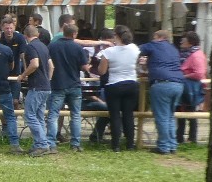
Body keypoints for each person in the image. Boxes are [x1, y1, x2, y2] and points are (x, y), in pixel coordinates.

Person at [94, 25, 141, 151]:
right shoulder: (134, 48)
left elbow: (102, 71)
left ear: (116, 36)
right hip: (131, 83)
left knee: (114, 115)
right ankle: (130, 144)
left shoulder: (109, 52)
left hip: (114, 84)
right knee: (128, 114)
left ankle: (115, 145)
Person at [140, 28, 184, 155]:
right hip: (178, 84)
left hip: (162, 84)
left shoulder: (154, 45)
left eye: (154, 37)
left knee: (162, 117)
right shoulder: (174, 49)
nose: (153, 39)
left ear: (159, 37)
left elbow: (135, 50)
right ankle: (172, 145)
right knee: (170, 116)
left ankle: (163, 147)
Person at [47, 23, 90, 151]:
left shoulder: (52, 46)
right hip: (74, 84)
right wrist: (88, 65)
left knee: (53, 115)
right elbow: (84, 67)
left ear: (63, 32)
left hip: (57, 84)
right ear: (74, 34)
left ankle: (51, 143)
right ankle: (75, 143)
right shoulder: (78, 48)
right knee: (75, 115)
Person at [18, 26, 55, 155]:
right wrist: (48, 80)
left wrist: (23, 75)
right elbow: (51, 66)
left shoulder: (30, 47)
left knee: (29, 115)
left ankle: (42, 144)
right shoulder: (44, 46)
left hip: (36, 86)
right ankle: (40, 144)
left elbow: (34, 64)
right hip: (46, 86)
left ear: (25, 35)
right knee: (39, 117)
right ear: (37, 34)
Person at [178, 32, 207, 143]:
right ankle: (180, 137)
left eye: (184, 40)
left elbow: (199, 73)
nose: (181, 42)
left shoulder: (196, 55)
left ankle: (191, 138)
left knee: (190, 112)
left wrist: (184, 76)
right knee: (182, 111)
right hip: (187, 87)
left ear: (190, 42)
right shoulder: (187, 54)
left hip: (192, 89)